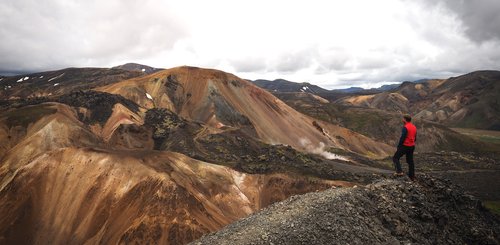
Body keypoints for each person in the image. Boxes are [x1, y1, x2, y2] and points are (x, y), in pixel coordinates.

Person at [393, 114, 417, 180]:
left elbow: (402, 137)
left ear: (405, 120)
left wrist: (399, 146)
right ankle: (412, 176)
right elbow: (415, 137)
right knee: (410, 161)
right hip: (412, 146)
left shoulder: (406, 127)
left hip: (405, 145)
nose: (402, 120)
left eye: (403, 119)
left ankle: (399, 172)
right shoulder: (414, 127)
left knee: (395, 158)